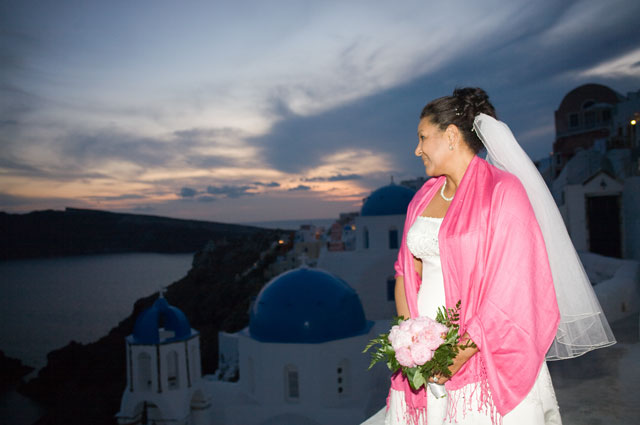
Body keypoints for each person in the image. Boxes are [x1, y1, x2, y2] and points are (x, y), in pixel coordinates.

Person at [376, 87, 615, 425]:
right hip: (423, 357)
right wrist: (410, 341)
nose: (417, 150)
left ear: (452, 136)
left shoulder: (503, 192)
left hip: (481, 353)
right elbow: (404, 271)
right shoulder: (421, 198)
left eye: (423, 137)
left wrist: (456, 355)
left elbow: (512, 287)